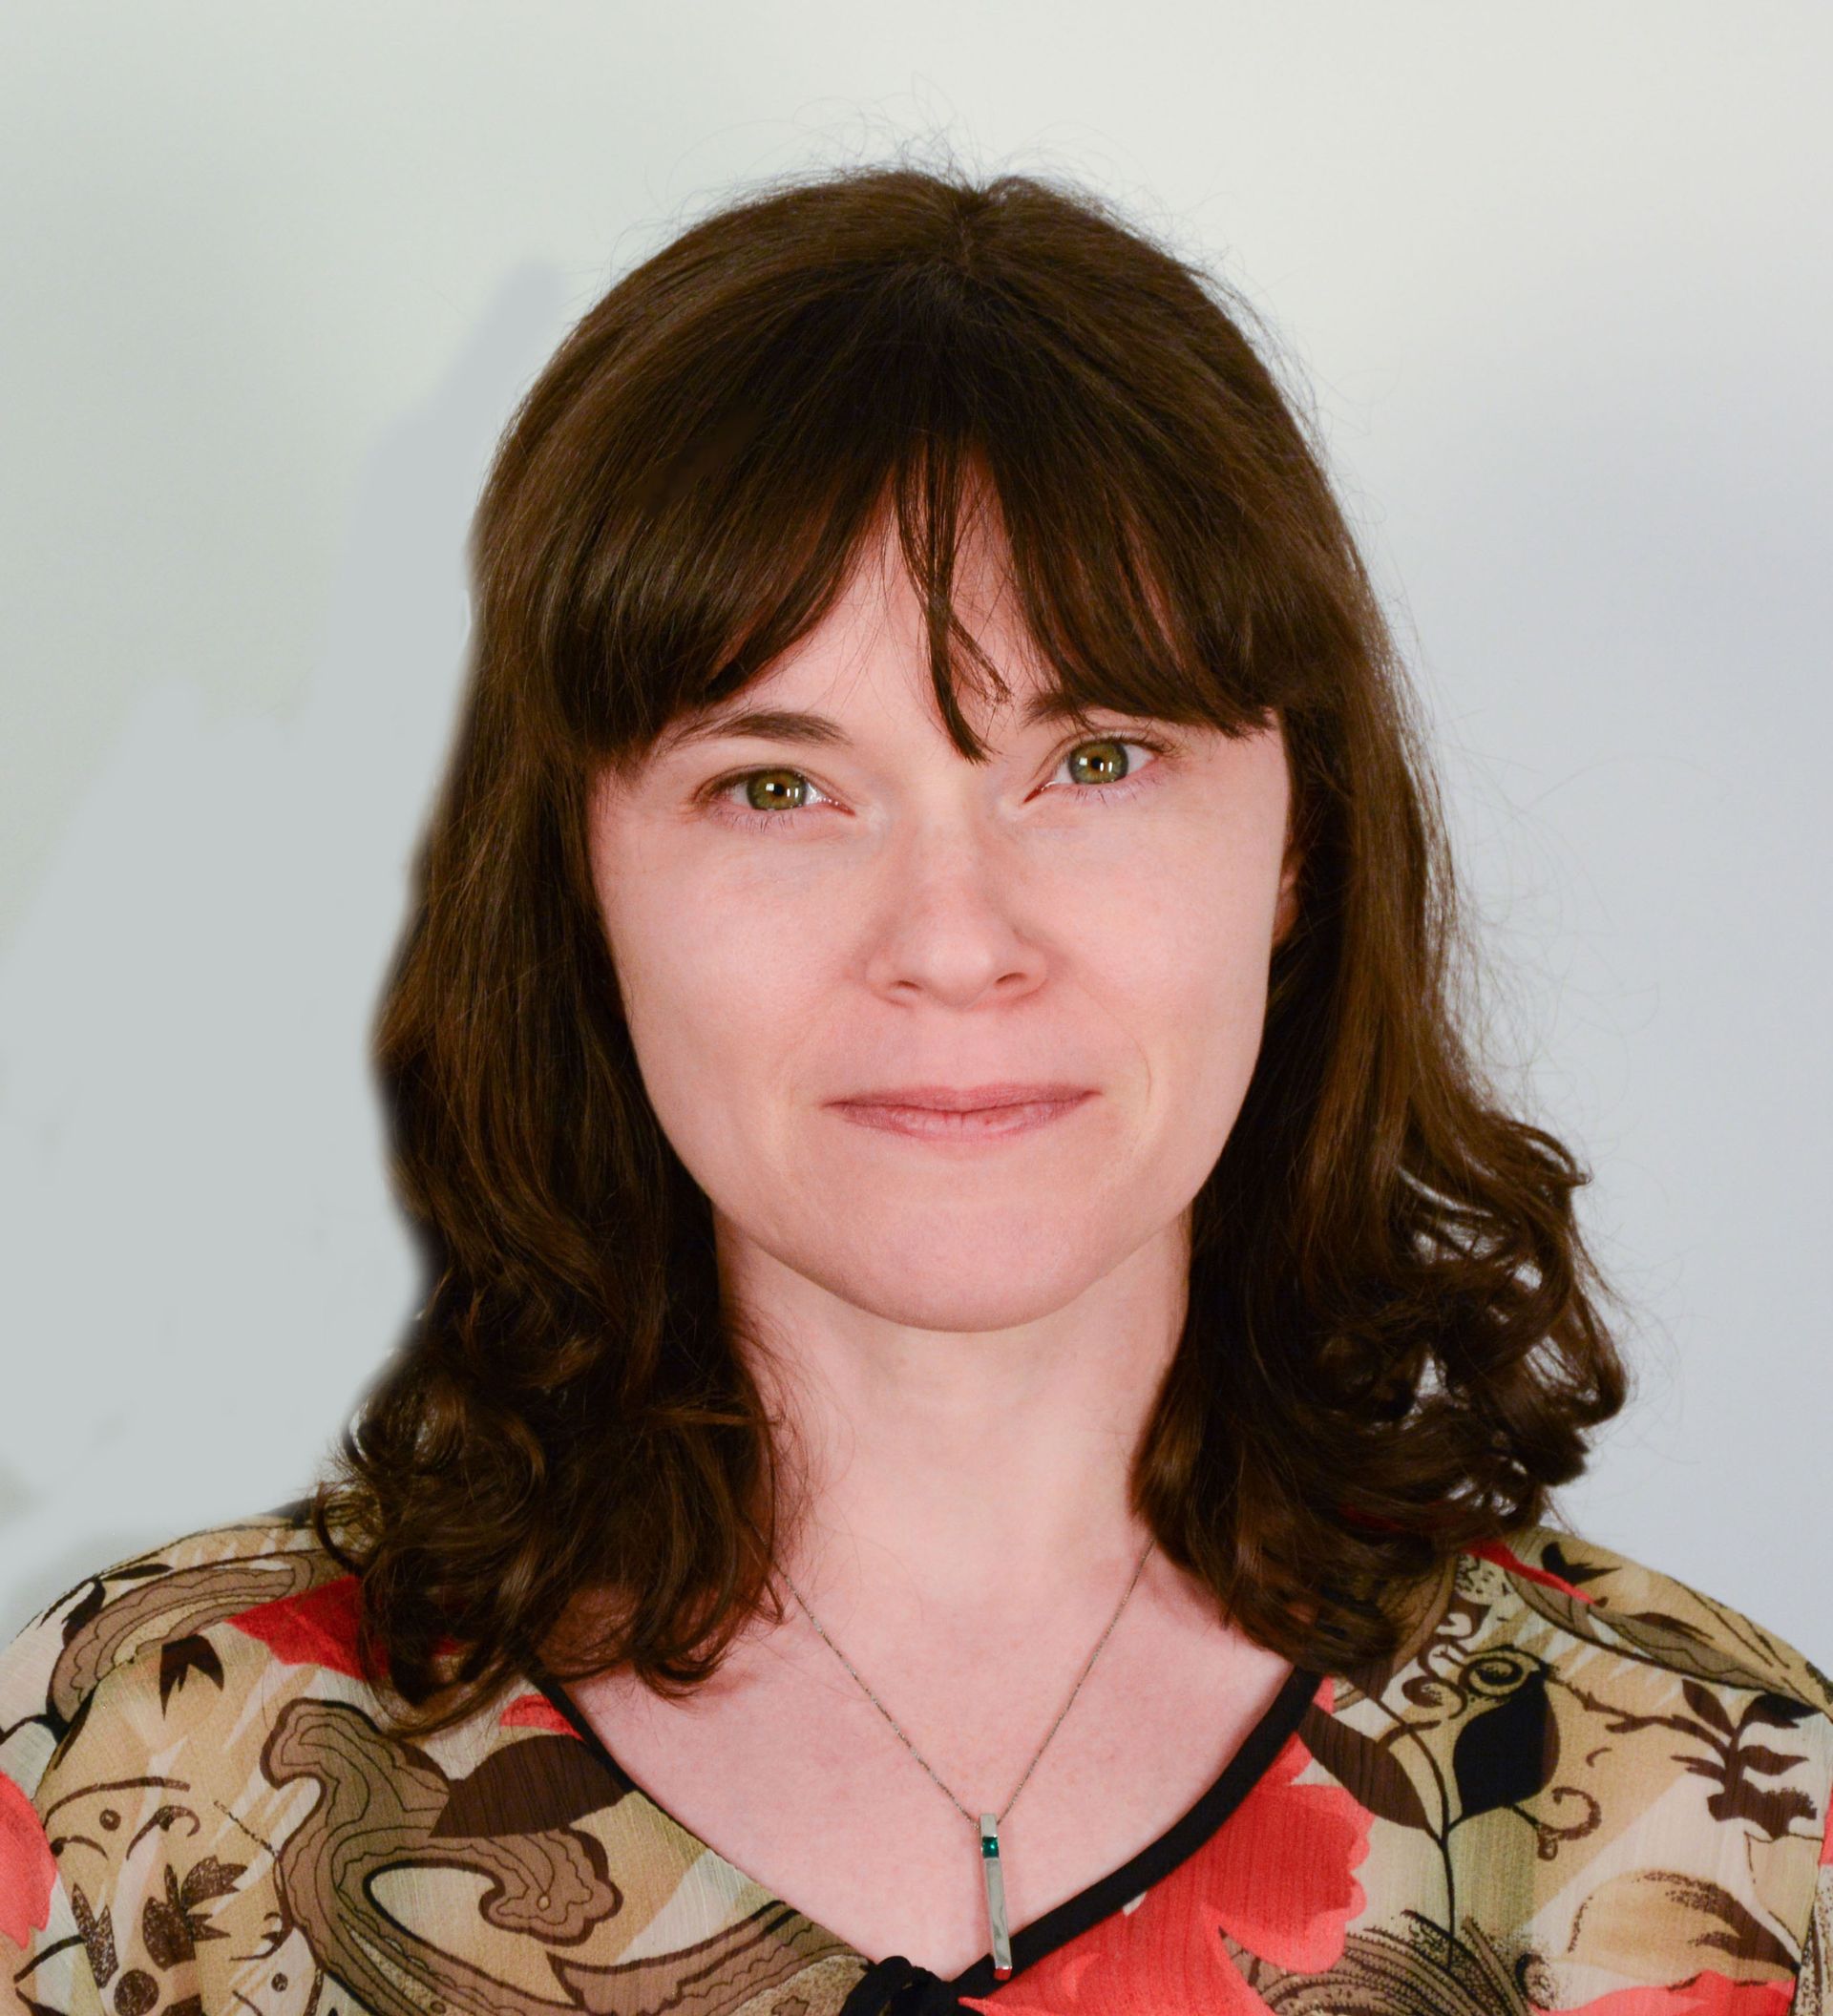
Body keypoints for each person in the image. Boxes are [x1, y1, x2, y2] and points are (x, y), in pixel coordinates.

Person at [2, 160, 1828, 2016]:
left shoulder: (1720, 1812)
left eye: (1096, 759)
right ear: (580, 875)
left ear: (1300, 848)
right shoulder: (155, 1794)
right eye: (779, 787)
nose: (955, 941)